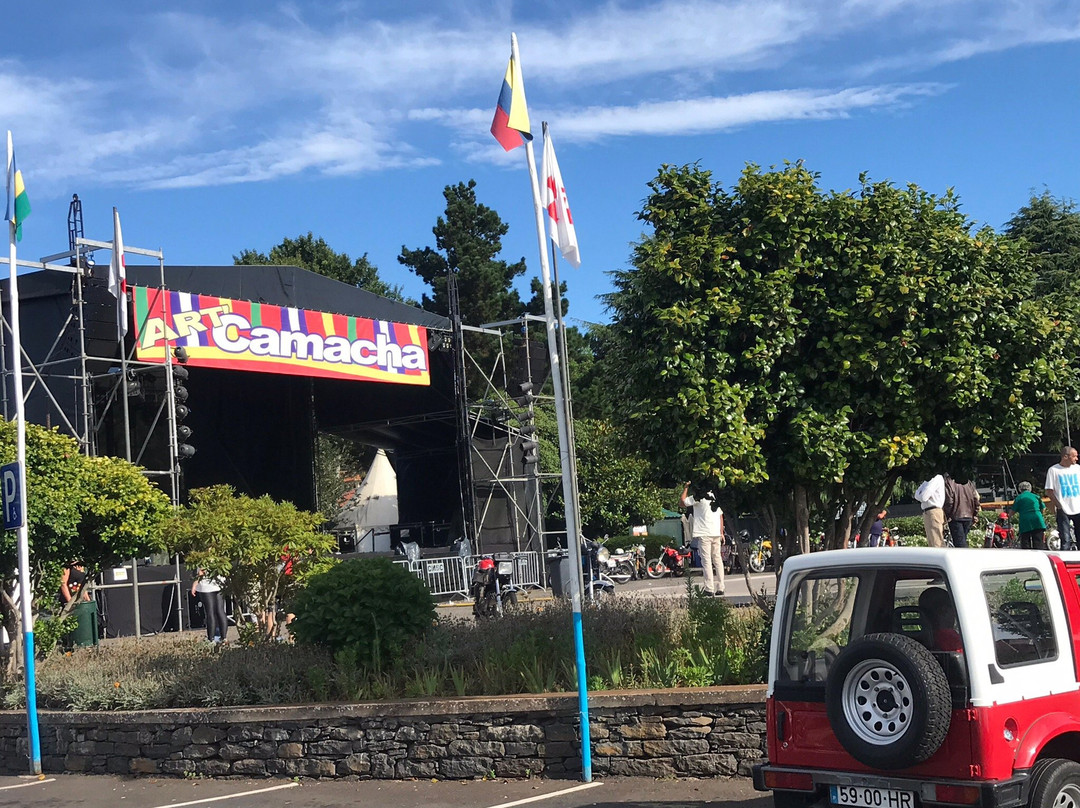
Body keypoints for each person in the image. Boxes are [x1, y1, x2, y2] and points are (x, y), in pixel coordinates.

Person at [680, 483, 725, 597]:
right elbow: (720, 515)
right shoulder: (715, 496)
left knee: (706, 560)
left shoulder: (698, 497)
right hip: (716, 532)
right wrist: (721, 532)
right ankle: (721, 586)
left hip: (704, 532)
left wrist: (686, 487)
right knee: (717, 559)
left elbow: (682, 502)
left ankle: (709, 588)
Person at [1045, 446, 1080, 551]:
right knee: (1065, 539)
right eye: (1074, 456)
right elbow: (1049, 490)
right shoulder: (1054, 470)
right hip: (1063, 508)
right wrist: (1058, 505)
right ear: (1065, 457)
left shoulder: (1077, 468)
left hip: (1078, 507)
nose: (1076, 459)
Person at [919, 586, 962, 653]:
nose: (954, 613)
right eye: (952, 608)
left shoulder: (910, 642)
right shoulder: (954, 641)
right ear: (944, 610)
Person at [191, 569, 228, 643]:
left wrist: (195, 583)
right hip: (220, 582)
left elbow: (201, 571)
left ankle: (211, 639)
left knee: (210, 612)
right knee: (220, 610)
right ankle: (224, 638)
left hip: (206, 584)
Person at [944, 474, 980, 548]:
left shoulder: (948, 482)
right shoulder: (968, 482)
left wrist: (947, 516)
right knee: (962, 541)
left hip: (955, 517)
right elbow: (975, 499)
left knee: (960, 544)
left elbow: (949, 502)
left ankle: (964, 559)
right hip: (968, 516)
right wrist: (974, 514)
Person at [1009, 482, 1047, 550]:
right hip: (1037, 519)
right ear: (1030, 488)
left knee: (1025, 542)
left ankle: (1028, 558)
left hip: (1025, 521)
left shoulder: (1019, 498)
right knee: (1038, 542)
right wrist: (1041, 514)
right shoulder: (1036, 496)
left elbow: (1012, 512)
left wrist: (1009, 516)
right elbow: (1043, 508)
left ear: (1020, 489)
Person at [915, 474, 947, 547]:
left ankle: (940, 558)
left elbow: (923, 497)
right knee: (931, 542)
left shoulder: (936, 478)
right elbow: (916, 494)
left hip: (934, 511)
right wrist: (919, 494)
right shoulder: (927, 480)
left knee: (937, 541)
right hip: (927, 511)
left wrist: (919, 494)